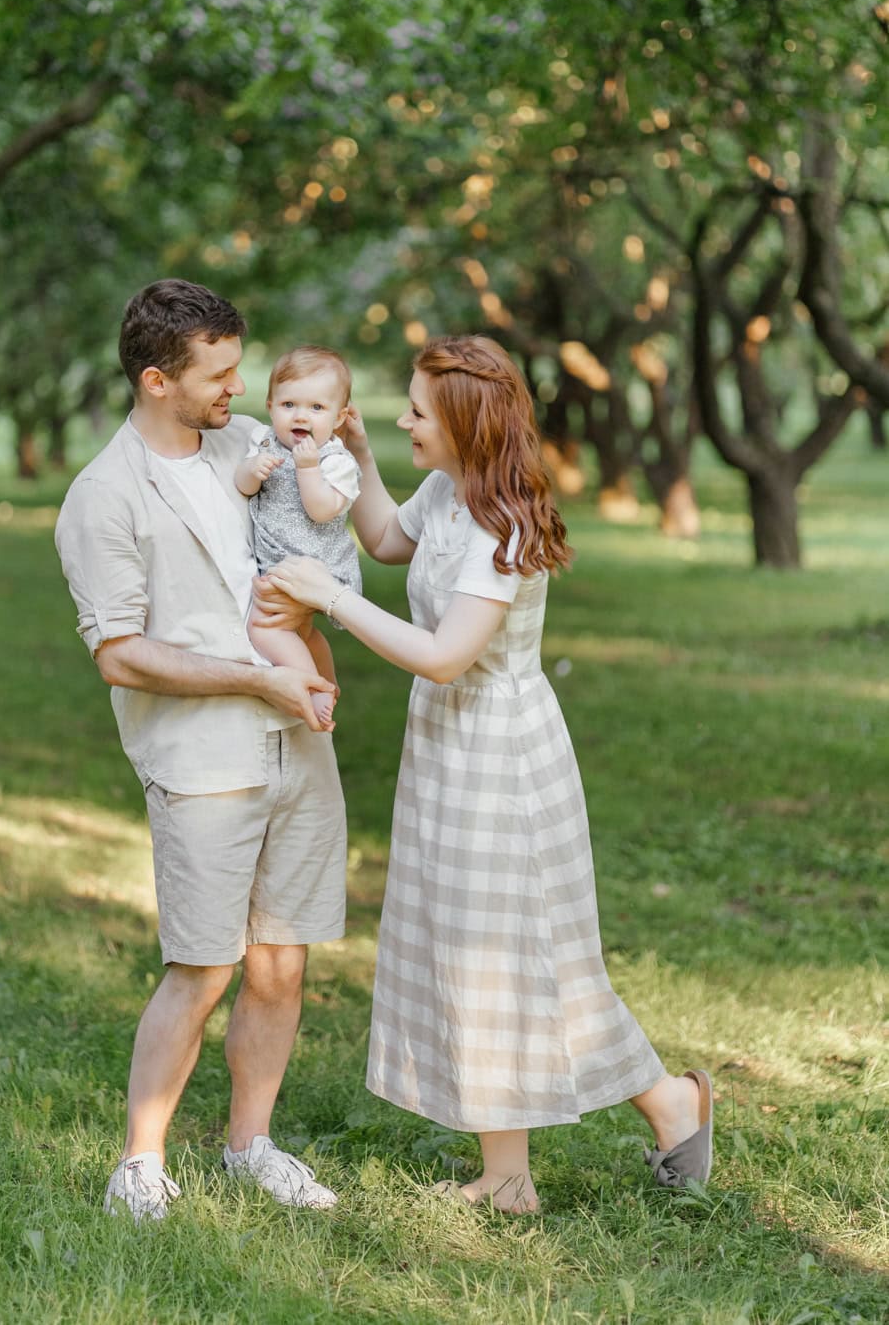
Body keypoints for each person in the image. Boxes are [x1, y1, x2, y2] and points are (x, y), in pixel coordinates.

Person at [263, 335, 713, 1214]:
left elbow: (444, 657)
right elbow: (390, 538)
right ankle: (510, 1178)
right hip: (449, 748)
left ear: (465, 421)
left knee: (526, 956)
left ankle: (671, 1101)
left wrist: (329, 598)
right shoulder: (449, 490)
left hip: (500, 756)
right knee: (474, 955)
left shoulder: (499, 525)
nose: (401, 420)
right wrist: (355, 456)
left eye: (418, 413)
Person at [54, 279, 347, 1223]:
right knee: (204, 966)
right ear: (154, 380)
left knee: (280, 961)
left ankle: (248, 1145)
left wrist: (309, 662)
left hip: (296, 737)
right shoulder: (103, 497)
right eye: (218, 375)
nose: (239, 388)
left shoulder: (249, 444)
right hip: (202, 756)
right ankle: (140, 1163)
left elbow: (317, 526)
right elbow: (120, 653)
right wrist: (255, 678)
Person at [234, 346, 362, 731]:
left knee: (264, 627)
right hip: (284, 560)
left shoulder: (336, 462)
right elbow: (244, 487)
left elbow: (323, 509)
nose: (301, 415)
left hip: (312, 566)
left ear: (339, 417)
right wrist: (252, 470)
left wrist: (308, 469)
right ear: (271, 406)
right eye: (289, 404)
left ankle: (307, 685)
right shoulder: (266, 443)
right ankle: (328, 685)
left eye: (317, 408)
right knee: (303, 632)